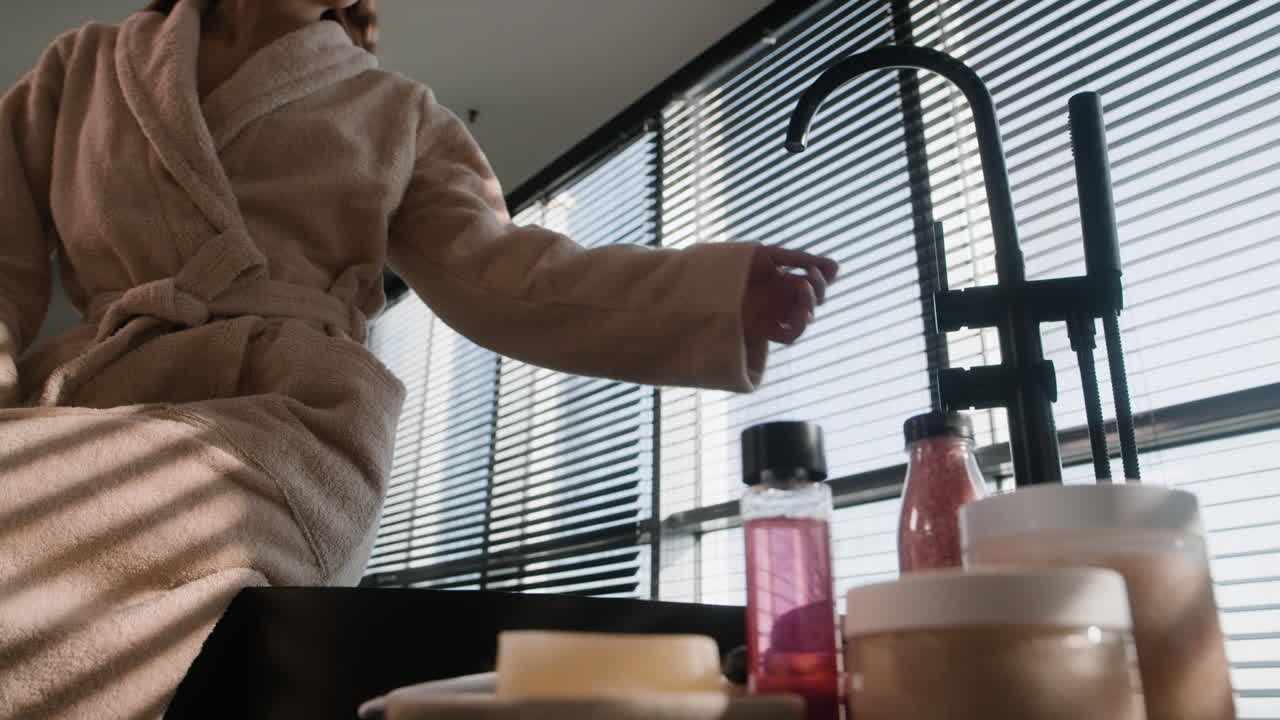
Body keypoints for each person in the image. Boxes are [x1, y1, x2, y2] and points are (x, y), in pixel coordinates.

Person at [0, 0, 838, 716]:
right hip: (85, 401)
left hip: (290, 418)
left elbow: (508, 273)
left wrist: (709, 292)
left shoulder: (396, 109)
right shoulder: (83, 66)